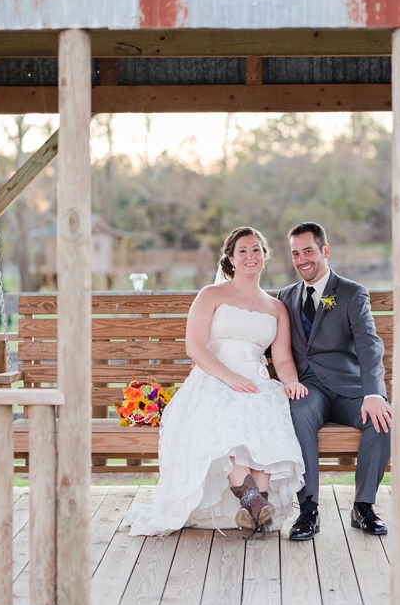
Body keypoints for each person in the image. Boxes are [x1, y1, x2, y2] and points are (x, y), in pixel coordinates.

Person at [122, 227, 306, 539]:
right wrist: (229, 376)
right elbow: (195, 347)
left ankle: (254, 505)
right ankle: (253, 503)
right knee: (224, 413)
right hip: (214, 374)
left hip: (257, 379)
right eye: (243, 250)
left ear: (265, 257)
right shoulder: (211, 295)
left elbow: (283, 359)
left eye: (257, 249)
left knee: (268, 415)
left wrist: (290, 382)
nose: (251, 256)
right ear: (231, 259)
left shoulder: (276, 308)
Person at [281, 222, 393, 541]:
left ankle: (364, 507)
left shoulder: (351, 293)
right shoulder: (285, 296)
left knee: (382, 418)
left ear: (324, 251)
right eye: (295, 253)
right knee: (298, 413)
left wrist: (374, 394)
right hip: (309, 389)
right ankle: (308, 509)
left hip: (349, 390)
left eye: (308, 251)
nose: (302, 259)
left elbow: (370, 346)